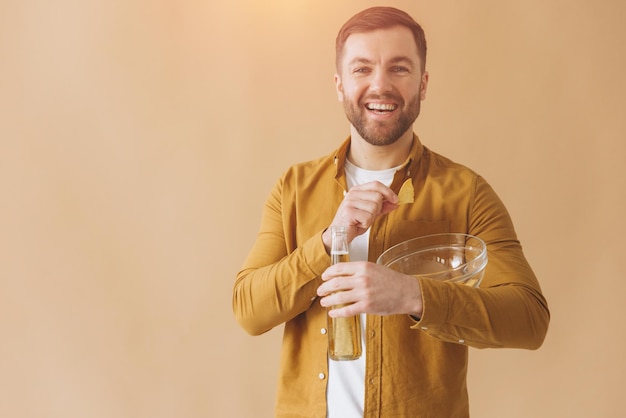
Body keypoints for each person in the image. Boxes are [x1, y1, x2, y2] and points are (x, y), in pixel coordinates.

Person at [233, 6, 549, 418]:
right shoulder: (293, 188)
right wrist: (329, 241)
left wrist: (410, 294)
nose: (380, 86)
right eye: (362, 69)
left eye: (399, 69)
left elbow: (529, 319)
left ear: (423, 83)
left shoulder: (467, 192)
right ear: (340, 84)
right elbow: (249, 311)